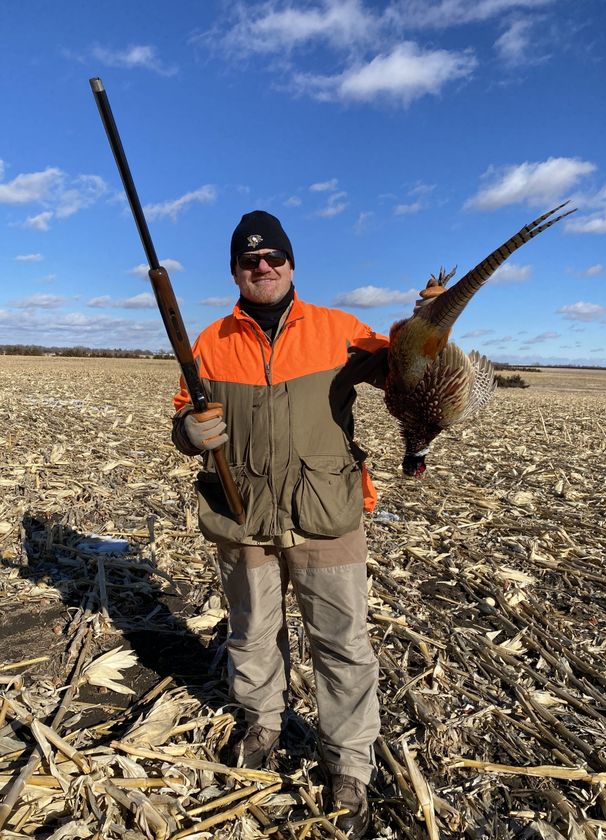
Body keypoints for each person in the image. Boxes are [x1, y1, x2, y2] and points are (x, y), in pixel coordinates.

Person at [171, 210, 388, 837]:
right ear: (235, 271)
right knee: (251, 634)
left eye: (274, 258)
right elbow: (185, 410)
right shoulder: (211, 341)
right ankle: (263, 723)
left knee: (342, 644)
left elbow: (402, 366)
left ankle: (348, 764)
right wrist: (187, 432)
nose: (262, 267)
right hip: (241, 515)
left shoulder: (339, 330)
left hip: (326, 513)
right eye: (250, 260)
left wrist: (428, 324)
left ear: (292, 264)